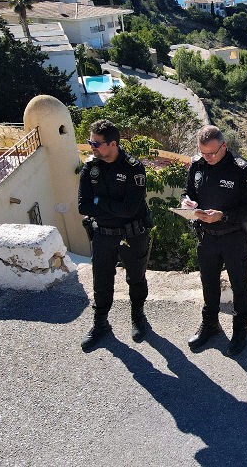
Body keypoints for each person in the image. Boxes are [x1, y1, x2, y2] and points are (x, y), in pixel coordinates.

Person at [182, 125, 247, 356]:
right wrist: (187, 202)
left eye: (212, 153)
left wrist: (223, 216)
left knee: (239, 285)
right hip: (206, 235)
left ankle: (241, 329)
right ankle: (210, 324)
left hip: (234, 236)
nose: (207, 157)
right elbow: (188, 191)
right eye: (203, 152)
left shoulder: (242, 169)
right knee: (208, 283)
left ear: (224, 146)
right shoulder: (198, 164)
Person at [78, 119, 152, 351]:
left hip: (132, 234)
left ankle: (138, 316)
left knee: (136, 278)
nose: (91, 147)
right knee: (101, 280)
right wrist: (111, 206)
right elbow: (83, 206)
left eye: (96, 143)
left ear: (113, 144)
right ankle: (100, 323)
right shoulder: (90, 168)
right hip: (103, 234)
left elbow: (129, 209)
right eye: (90, 142)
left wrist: (98, 201)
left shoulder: (133, 168)